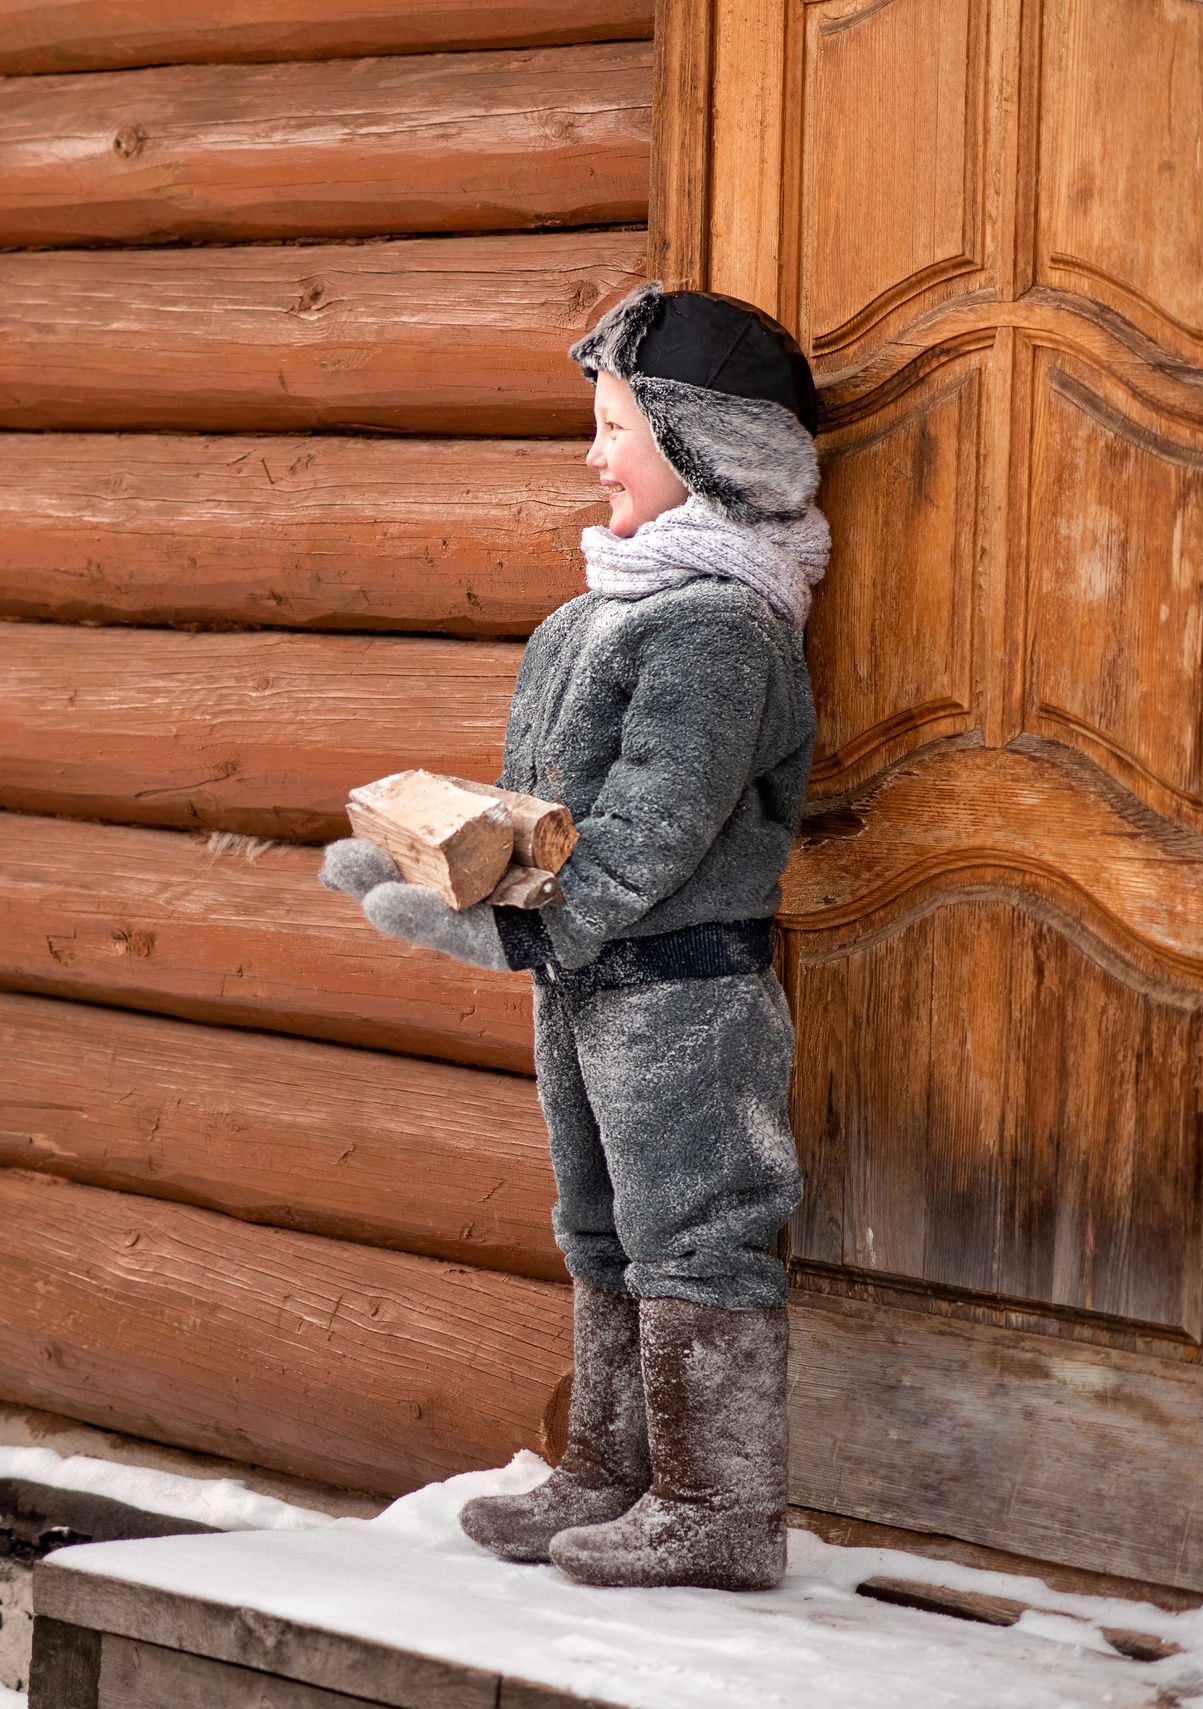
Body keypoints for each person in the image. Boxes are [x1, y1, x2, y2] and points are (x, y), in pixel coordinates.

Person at [321, 283, 825, 1591]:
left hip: (685, 991)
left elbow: (651, 831)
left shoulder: (722, 628)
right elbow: (541, 813)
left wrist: (512, 938)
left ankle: (717, 1505)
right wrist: (437, 859)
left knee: (697, 1224)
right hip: (588, 984)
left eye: (619, 429)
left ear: (713, 448)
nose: (594, 456)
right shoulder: (587, 617)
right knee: (598, 1222)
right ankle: (607, 1469)